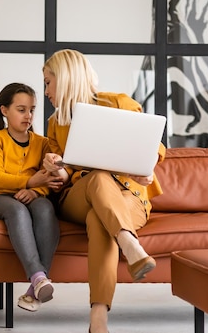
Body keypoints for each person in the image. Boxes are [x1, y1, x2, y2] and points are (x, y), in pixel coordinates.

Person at [41, 49, 166, 333]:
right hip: (78, 197)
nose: (45, 90)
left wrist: (145, 168)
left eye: (48, 82)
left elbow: (153, 143)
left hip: (129, 197)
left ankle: (98, 318)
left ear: (66, 78)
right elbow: (65, 176)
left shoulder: (118, 103)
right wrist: (55, 165)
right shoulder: (54, 124)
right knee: (97, 178)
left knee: (100, 220)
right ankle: (130, 244)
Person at [0, 82, 63, 312]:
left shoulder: (43, 143)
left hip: (31, 197)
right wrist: (29, 181)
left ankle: (36, 285)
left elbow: (51, 180)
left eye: (32, 110)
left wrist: (34, 190)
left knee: (45, 208)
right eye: (21, 109)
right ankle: (38, 276)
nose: (28, 115)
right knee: (17, 210)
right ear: (4, 111)